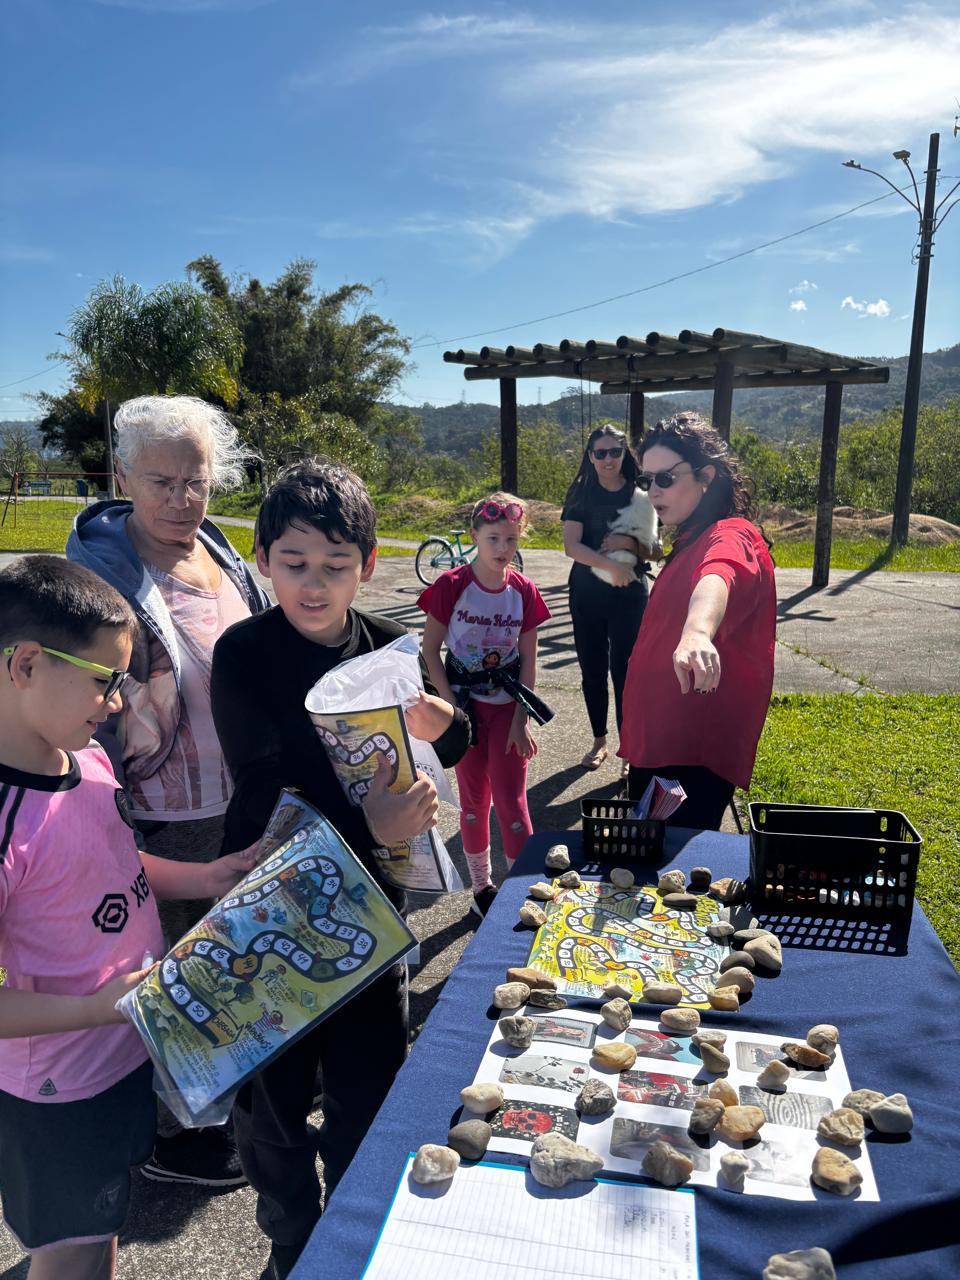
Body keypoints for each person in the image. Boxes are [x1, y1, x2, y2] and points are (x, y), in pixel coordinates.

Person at [210, 460, 469, 1280]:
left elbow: (451, 740)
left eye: (335, 565)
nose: (314, 584)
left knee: (369, 1080)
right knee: (274, 1099)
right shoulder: (244, 652)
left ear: (367, 564)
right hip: (271, 911)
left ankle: (349, 1239)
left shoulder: (389, 645)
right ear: (262, 559)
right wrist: (370, 822)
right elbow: (260, 780)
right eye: (294, 563)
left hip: (373, 913)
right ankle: (292, 1241)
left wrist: (445, 720)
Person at [0, 556, 256, 1280]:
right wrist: (98, 1006)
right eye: (104, 680)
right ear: (25, 664)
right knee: (66, 1254)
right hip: (56, 1092)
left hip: (122, 1055)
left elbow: (112, 861)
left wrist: (204, 875)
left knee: (103, 1224)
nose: (117, 703)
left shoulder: (87, 762)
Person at [67, 395, 269, 1186]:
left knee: (233, 958)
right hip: (156, 809)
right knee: (175, 970)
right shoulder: (98, 574)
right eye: (162, 482)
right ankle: (180, 1136)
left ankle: (221, 1103)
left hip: (238, 796)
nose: (183, 499)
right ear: (122, 477)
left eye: (197, 481)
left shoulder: (219, 551)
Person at [619, 412, 777, 829]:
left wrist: (697, 632)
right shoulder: (692, 536)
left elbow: (719, 574)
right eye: (646, 480)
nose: (653, 491)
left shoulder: (732, 534)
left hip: (688, 752)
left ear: (706, 476)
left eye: (665, 478)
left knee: (669, 863)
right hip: (661, 741)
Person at [419, 494, 551, 916]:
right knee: (475, 803)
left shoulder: (523, 591)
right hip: (466, 710)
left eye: (511, 539)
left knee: (513, 802)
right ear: (474, 535)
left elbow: (528, 659)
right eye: (493, 538)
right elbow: (430, 650)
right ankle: (482, 889)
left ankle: (522, 890)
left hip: (507, 707)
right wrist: (451, 711)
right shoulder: (451, 586)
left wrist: (521, 720)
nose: (502, 548)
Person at [562, 425, 660, 776]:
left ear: (624, 454)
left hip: (629, 597)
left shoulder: (641, 494)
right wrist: (610, 565)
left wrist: (629, 545)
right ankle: (599, 741)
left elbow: (657, 550)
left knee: (627, 673)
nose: (607, 459)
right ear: (590, 457)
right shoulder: (580, 494)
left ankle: (628, 750)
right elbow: (571, 546)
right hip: (587, 595)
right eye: (600, 453)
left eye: (614, 452)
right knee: (592, 670)